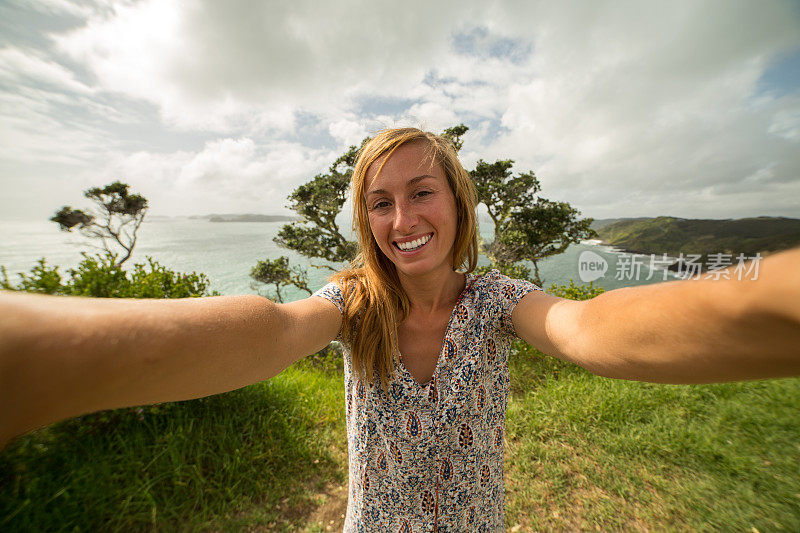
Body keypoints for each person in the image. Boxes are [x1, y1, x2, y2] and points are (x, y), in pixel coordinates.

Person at [0, 127, 799, 531]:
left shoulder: (497, 301)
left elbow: (589, 329)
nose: (402, 218)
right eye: (380, 202)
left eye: (422, 192)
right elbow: (270, 330)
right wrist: (39, 352)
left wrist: (770, 302)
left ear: (458, 201)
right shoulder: (351, 303)